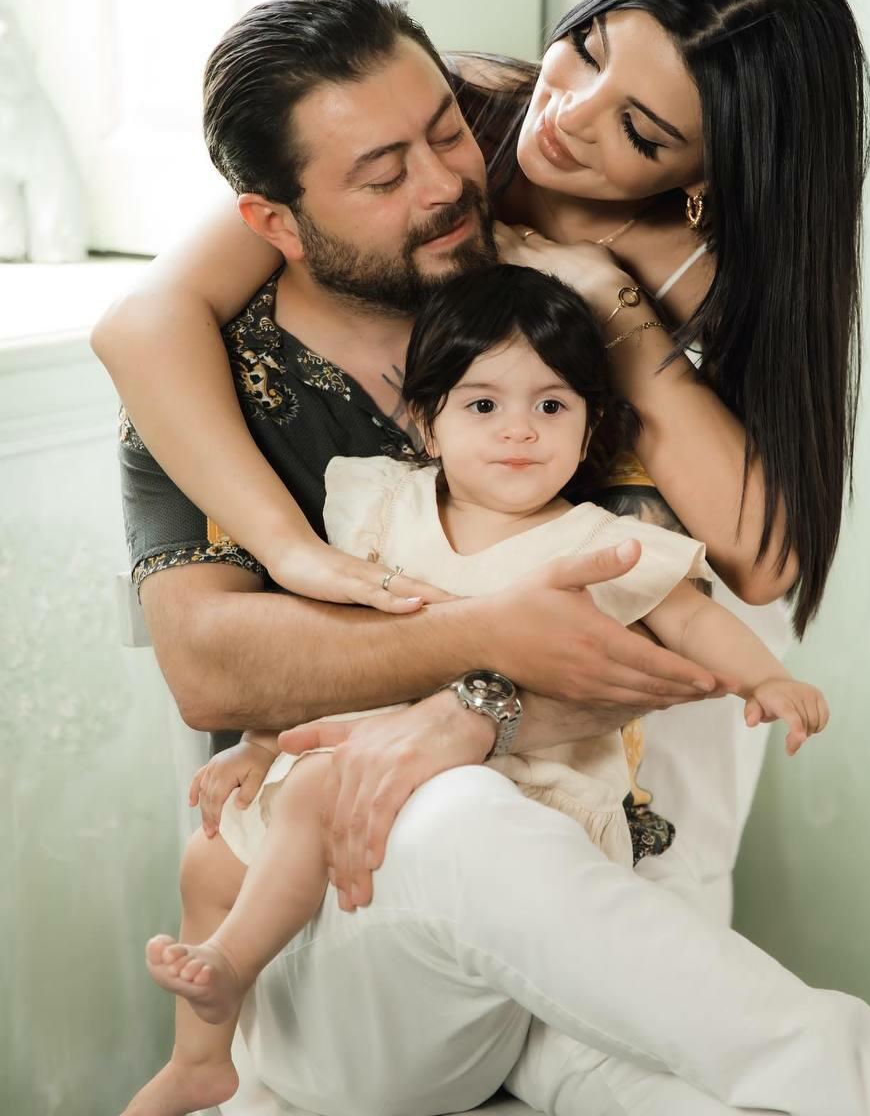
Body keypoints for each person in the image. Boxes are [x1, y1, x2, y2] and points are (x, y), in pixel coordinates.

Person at [95, 0, 870, 1116]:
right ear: (275, 222)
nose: (446, 183)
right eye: (383, 176)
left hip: (554, 930)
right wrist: (468, 634)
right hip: (347, 935)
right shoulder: (217, 383)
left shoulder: (545, 350)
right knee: (452, 815)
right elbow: (210, 666)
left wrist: (612, 313)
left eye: (446, 134)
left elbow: (693, 598)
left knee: (699, 1087)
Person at [95, 0, 868, 922]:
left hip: (614, 709)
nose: (567, 116)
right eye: (585, 48)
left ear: (704, 176)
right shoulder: (452, 112)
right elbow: (143, 322)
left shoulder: (701, 270)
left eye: (638, 131)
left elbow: (762, 561)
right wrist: (289, 548)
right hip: (394, 694)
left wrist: (611, 307)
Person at [123, 265, 829, 1116]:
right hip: (365, 757)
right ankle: (202, 1058)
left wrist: (766, 678)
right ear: (428, 421)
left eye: (552, 406)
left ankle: (231, 962)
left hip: (508, 795)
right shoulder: (386, 509)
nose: (519, 430)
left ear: (590, 430)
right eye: (483, 404)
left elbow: (690, 619)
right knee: (209, 856)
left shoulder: (595, 542)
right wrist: (260, 744)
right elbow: (326, 644)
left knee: (316, 788)